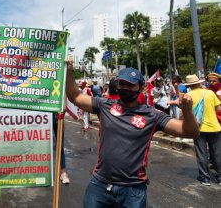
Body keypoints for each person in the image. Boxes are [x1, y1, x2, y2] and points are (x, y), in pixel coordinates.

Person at [65, 63, 199, 208]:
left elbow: (190, 132)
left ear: (142, 88)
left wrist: (187, 111)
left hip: (132, 190)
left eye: (130, 85)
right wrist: (69, 71)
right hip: (100, 185)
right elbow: (75, 97)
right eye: (122, 84)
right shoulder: (105, 105)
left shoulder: (153, 115)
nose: (125, 88)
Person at [184, 74, 221, 186]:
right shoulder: (210, 93)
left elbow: (185, 113)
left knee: (201, 153)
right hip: (214, 127)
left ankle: (205, 178)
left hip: (198, 128)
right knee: (217, 153)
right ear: (199, 83)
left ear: (189, 85)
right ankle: (220, 177)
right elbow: (218, 108)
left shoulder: (188, 95)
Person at [53, 112, 70, 184]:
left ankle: (63, 173)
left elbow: (65, 104)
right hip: (44, 116)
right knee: (42, 142)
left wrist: (64, 108)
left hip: (58, 118)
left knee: (60, 146)